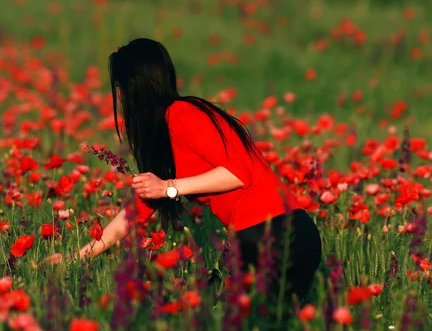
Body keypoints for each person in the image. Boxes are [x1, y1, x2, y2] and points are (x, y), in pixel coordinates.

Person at [74, 37, 322, 307]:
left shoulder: (183, 114)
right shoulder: (168, 128)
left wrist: (169, 187)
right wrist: (79, 257)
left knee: (219, 323)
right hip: (280, 235)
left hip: (272, 235)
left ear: (134, 86)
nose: (120, 98)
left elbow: (239, 173)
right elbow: (139, 209)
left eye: (120, 87)